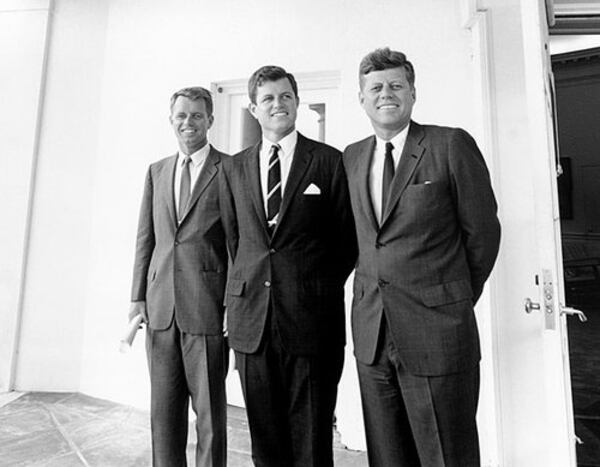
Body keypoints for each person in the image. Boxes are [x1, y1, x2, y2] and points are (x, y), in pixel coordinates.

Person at [343, 47, 501, 466]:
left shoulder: (449, 144)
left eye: (396, 85)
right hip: (372, 334)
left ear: (413, 92)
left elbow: (483, 234)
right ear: (362, 98)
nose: (386, 94)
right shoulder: (352, 157)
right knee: (388, 456)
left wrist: (452, 298)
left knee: (446, 456)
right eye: (375, 87)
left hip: (439, 332)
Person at [218, 65, 357, 466]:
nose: (277, 104)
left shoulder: (330, 162)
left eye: (285, 96)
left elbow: (346, 241)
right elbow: (235, 240)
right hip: (252, 326)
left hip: (312, 322)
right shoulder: (232, 168)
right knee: (266, 438)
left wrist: (313, 286)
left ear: (296, 101)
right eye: (268, 98)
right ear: (253, 108)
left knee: (312, 440)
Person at [130, 87, 229, 467]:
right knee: (164, 415)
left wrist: (230, 307)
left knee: (210, 419)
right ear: (171, 119)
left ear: (210, 121)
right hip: (160, 309)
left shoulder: (228, 169)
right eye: (181, 116)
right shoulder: (157, 171)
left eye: (197, 116)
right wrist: (137, 298)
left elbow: (236, 243)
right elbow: (146, 239)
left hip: (206, 308)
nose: (188, 122)